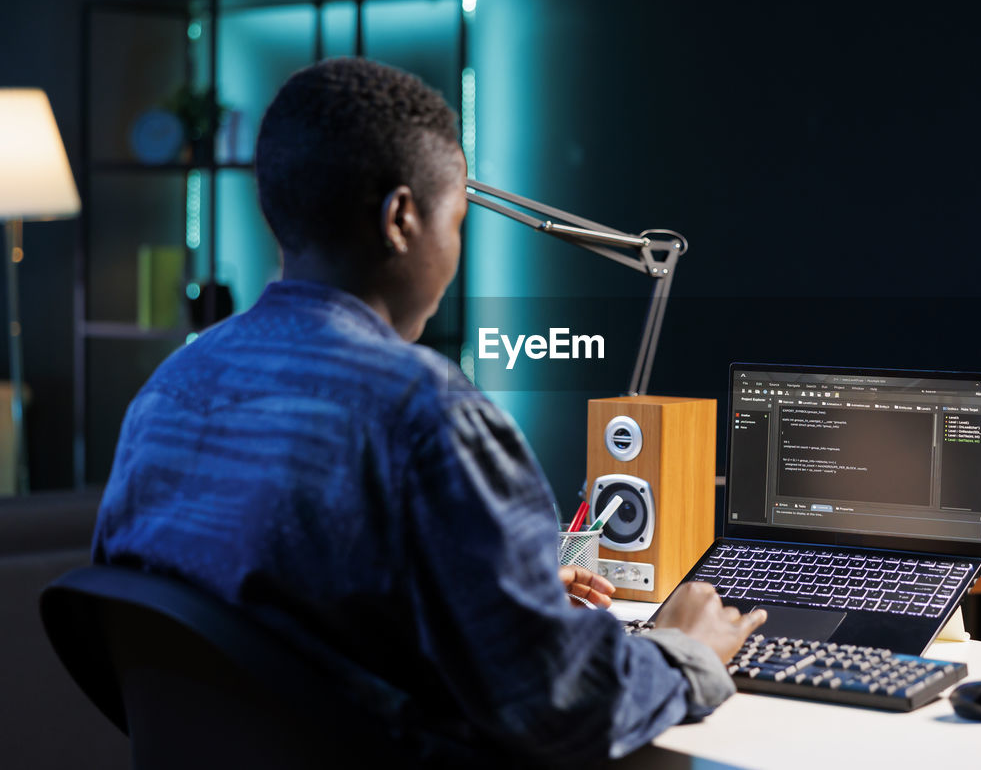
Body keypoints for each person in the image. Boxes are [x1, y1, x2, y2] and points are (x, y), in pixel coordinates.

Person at [92, 57, 766, 766]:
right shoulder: (426, 410)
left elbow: (258, 624)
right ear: (403, 218)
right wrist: (684, 649)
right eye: (458, 221)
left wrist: (499, 589)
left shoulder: (165, 394)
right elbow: (561, 703)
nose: (457, 250)